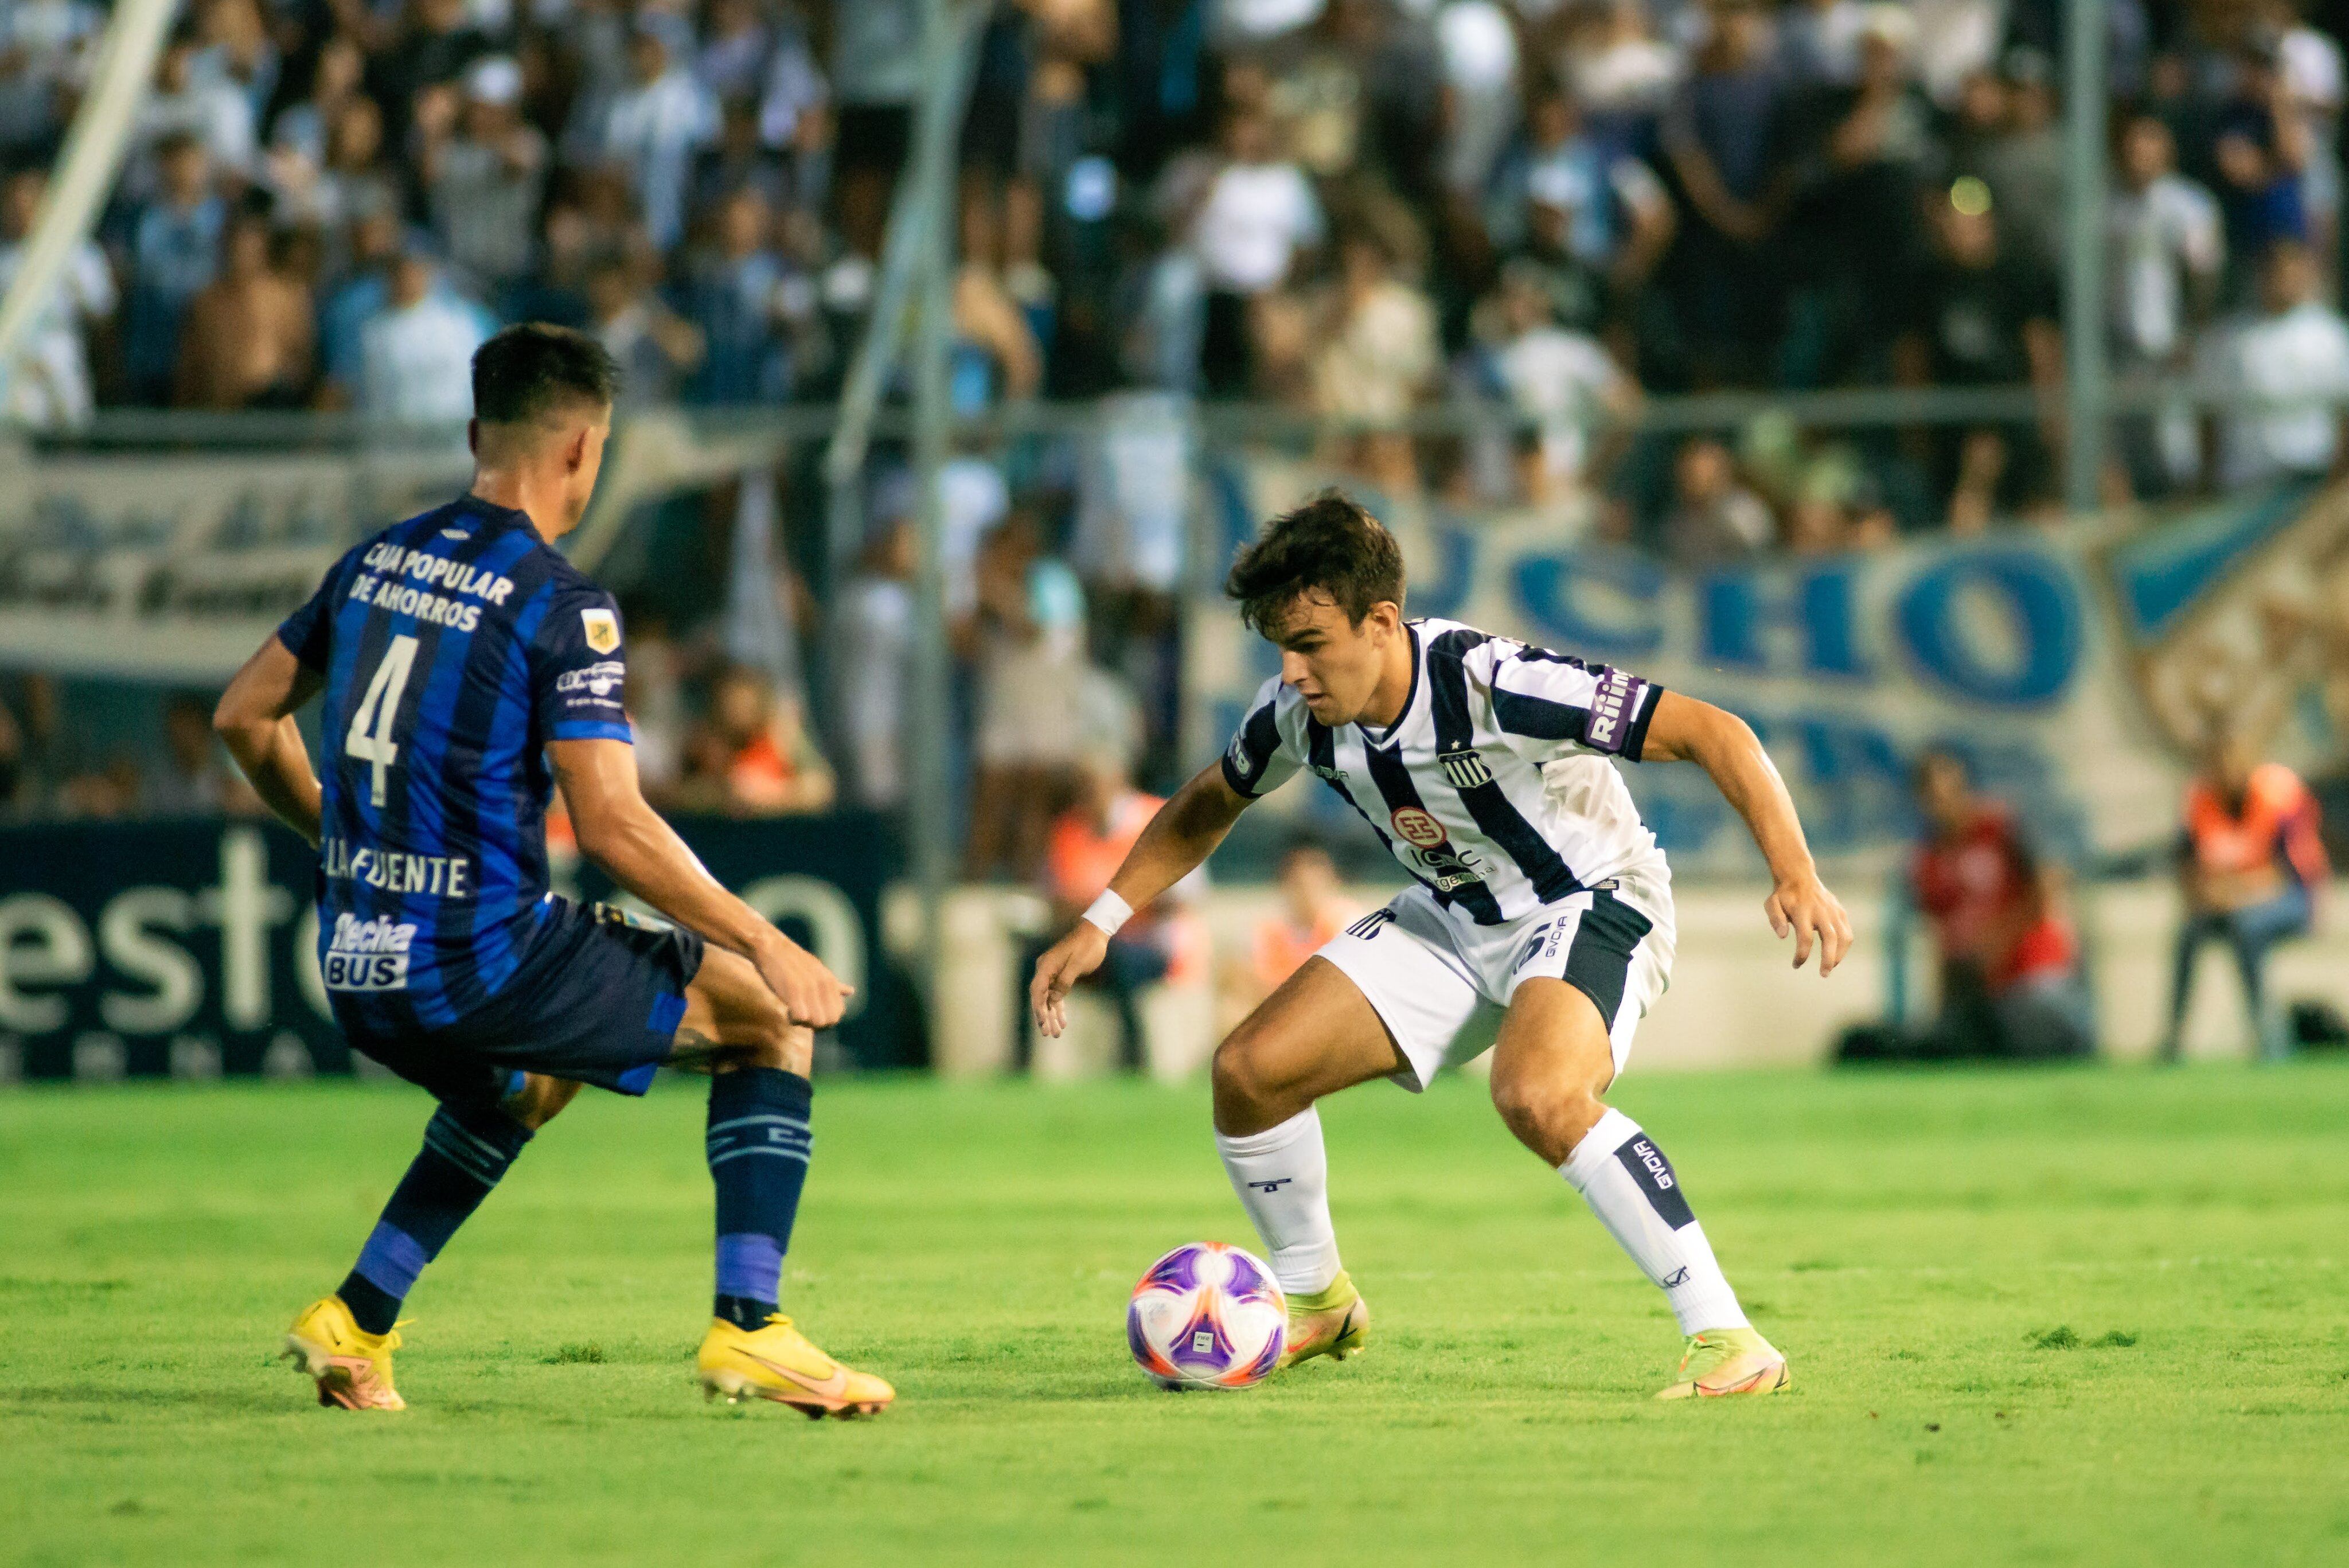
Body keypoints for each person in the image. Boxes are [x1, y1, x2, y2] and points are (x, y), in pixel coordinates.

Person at [211, 324, 892, 1418]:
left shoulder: (376, 560)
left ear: (479, 432)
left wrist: (344, 842)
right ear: (582, 449)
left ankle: (358, 1316)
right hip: (477, 958)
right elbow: (614, 825)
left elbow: (242, 717)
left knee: (533, 1079)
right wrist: (766, 938)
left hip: (355, 961)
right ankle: (753, 1326)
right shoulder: (561, 602)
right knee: (768, 1018)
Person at [1031, 492, 1851, 1399]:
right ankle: (1316, 1299)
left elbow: (1712, 730)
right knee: (1250, 1072)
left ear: (1381, 622)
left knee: (1539, 1095)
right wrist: (1101, 920)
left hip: (1588, 901)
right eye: (1280, 649)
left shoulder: (1493, 680)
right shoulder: (1296, 715)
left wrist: (1795, 871)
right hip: (1454, 915)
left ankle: (1729, 1339)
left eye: (1310, 644)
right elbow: (1208, 801)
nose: (1293, 672)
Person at [1906, 749, 2090, 1060]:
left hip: (2033, 975)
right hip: (1983, 993)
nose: (1943, 805)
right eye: (1933, 796)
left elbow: (2044, 890)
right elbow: (1943, 942)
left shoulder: (2002, 829)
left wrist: (1997, 942)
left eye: (1950, 792)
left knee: (2028, 1024)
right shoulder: (1928, 860)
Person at [2163, 735, 2328, 1063]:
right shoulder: (2202, 800)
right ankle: (2173, 1038)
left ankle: (2268, 1034)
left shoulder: (2277, 795)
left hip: (2291, 902)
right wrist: (2205, 895)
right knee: (2189, 932)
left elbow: (2288, 873)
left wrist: (2236, 893)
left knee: (2247, 928)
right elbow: (2186, 869)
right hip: (2227, 903)